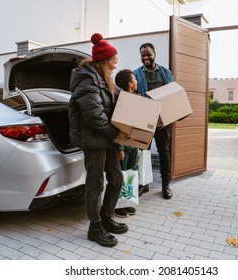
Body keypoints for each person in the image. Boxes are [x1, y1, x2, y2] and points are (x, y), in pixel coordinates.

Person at [68, 33, 130, 247]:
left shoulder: (105, 79)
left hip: (107, 138)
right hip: (94, 139)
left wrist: (140, 103)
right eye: (113, 61)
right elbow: (94, 116)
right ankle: (94, 228)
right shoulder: (86, 80)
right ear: (104, 60)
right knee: (95, 184)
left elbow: (119, 98)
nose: (115, 65)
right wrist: (116, 135)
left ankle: (106, 217)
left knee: (116, 178)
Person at [133, 42, 174, 200]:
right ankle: (144, 184)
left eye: (148, 54)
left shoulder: (165, 72)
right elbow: (133, 95)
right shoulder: (136, 73)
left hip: (163, 120)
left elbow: (172, 93)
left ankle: (165, 185)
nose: (145, 57)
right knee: (143, 152)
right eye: (143, 55)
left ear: (154, 54)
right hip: (145, 120)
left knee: (164, 152)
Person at [113, 69, 139, 218]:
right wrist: (120, 148)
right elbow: (119, 125)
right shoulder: (121, 101)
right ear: (130, 83)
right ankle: (117, 206)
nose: (137, 81)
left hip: (133, 146)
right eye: (135, 79)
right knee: (120, 176)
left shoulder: (134, 99)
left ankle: (127, 202)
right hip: (123, 147)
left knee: (129, 175)